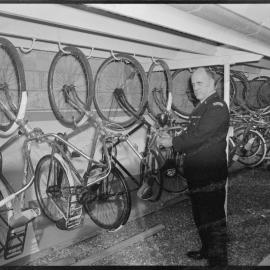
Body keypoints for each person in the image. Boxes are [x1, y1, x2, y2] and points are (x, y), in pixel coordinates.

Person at [150, 67, 229, 267]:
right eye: (193, 84)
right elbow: (189, 135)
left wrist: (172, 143)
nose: (195, 88)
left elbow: (198, 136)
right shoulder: (202, 107)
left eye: (200, 83)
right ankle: (206, 249)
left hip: (210, 172)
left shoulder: (217, 107)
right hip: (197, 172)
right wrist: (172, 138)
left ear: (212, 83)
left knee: (214, 216)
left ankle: (218, 261)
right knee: (200, 214)